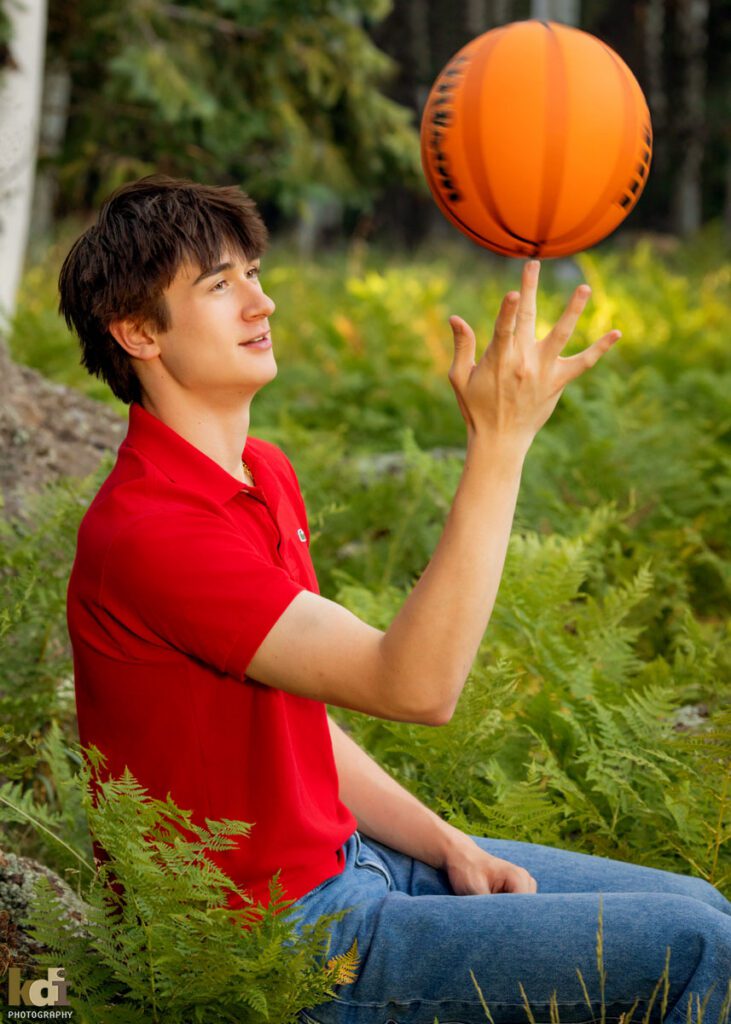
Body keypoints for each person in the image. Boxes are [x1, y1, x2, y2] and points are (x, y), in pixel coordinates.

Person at [62, 176, 731, 1024]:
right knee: (706, 954)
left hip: (355, 860)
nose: (260, 301)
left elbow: (299, 724)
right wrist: (499, 442)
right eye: (219, 285)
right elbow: (414, 686)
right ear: (136, 332)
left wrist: (449, 846)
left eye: (255, 272)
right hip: (282, 943)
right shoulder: (151, 531)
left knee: (702, 903)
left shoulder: (261, 473)